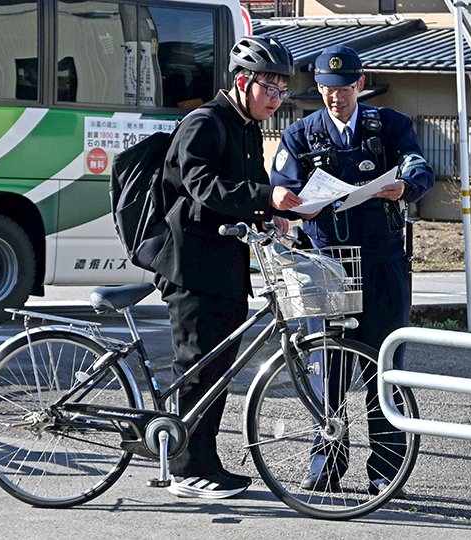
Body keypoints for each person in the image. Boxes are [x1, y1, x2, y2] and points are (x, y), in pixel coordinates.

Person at [269, 45, 434, 494]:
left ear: (360, 84)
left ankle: (386, 471)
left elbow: (418, 164)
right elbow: (281, 186)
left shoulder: (390, 125)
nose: (335, 97)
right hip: (326, 266)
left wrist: (405, 185)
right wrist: (285, 201)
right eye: (326, 88)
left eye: (343, 88)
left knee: (385, 369)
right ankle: (325, 466)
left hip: (383, 263)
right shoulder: (301, 134)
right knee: (328, 370)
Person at [153, 36, 301, 499]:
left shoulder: (246, 126)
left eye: (282, 92)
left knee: (218, 369)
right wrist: (265, 196)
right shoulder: (204, 122)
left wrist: (270, 212)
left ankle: (206, 460)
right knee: (197, 366)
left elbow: (247, 187)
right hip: (191, 266)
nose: (277, 100)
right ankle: (184, 470)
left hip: (226, 266)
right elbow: (203, 186)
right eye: (270, 89)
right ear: (242, 82)